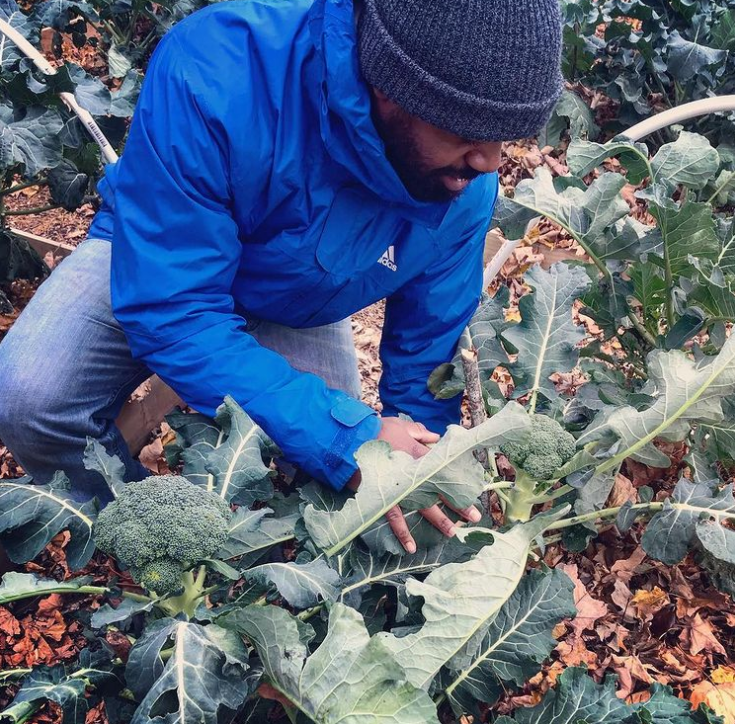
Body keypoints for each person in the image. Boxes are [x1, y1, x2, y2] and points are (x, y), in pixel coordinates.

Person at [0, 0, 562, 553]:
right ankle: (132, 529)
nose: (491, 162)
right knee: (31, 398)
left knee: (334, 496)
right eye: (467, 131)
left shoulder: (462, 186)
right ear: (391, 86)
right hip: (158, 257)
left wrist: (410, 465)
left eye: (505, 136)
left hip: (299, 306)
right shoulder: (217, 69)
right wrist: (344, 437)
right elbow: (174, 309)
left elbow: (425, 355)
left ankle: (239, 556)